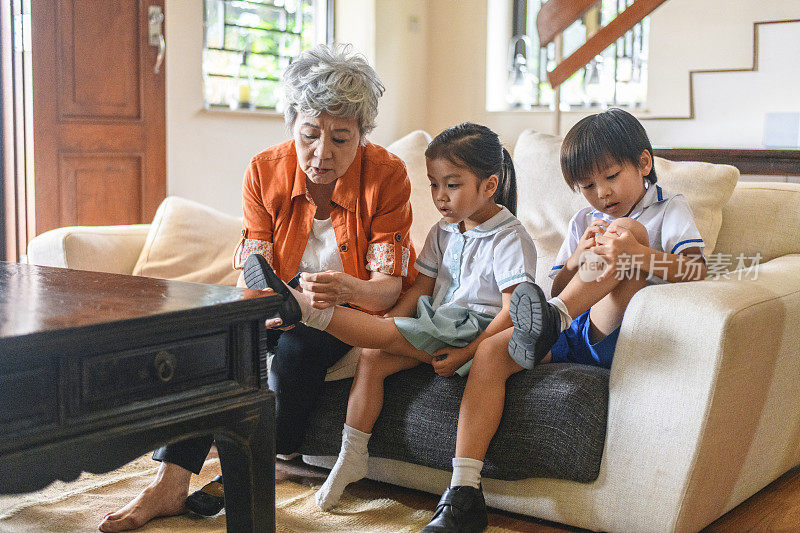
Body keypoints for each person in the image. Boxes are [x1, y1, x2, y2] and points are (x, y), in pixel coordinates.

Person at [98, 43, 416, 532]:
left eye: (341, 139)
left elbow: (387, 291)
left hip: (345, 313)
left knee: (293, 354)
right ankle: (169, 483)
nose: (322, 153)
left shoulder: (388, 175)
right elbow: (255, 273)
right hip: (279, 305)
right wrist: (267, 296)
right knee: (213, 346)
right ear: (292, 124)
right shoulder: (264, 171)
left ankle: (246, 468)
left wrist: (340, 287)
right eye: (309, 134)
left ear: (363, 135)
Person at [418, 108, 708, 533]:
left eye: (610, 176)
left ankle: (553, 320)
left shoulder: (669, 210)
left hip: (620, 329)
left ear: (644, 164)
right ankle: (463, 492)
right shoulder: (584, 220)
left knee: (626, 230)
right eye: (587, 186)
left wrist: (634, 253)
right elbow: (554, 285)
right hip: (570, 329)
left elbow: (697, 270)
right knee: (495, 350)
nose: (601, 194)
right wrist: (574, 259)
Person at [242, 122, 538, 516]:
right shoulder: (442, 232)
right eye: (434, 185)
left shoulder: (509, 237)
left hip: (476, 331)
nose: (440, 197)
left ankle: (304, 307)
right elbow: (419, 290)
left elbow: (511, 312)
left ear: (489, 185)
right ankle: (352, 455)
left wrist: (468, 352)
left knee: (375, 336)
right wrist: (390, 326)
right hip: (437, 323)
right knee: (372, 356)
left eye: (452, 185)